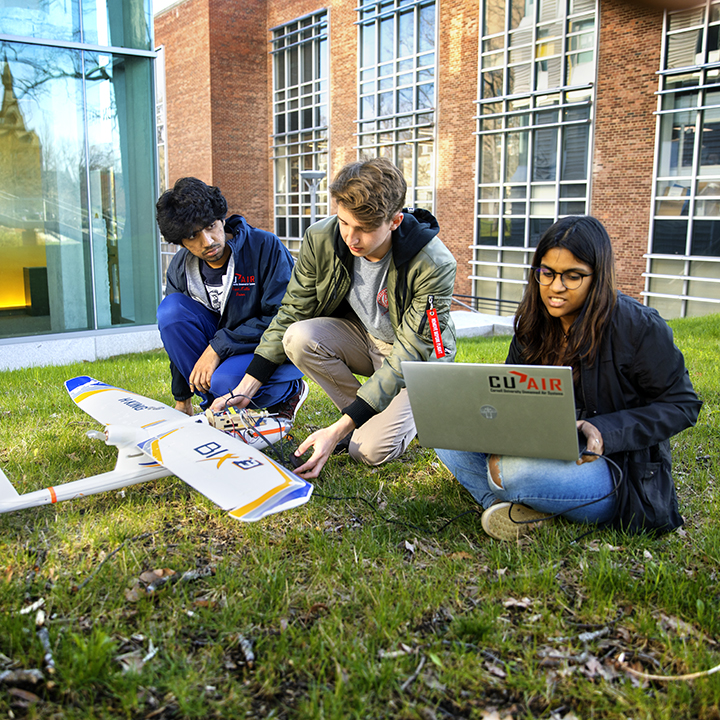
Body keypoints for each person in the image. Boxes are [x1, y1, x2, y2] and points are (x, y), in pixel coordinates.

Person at [436, 215, 702, 541]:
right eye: (546, 273)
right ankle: (509, 510)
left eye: (573, 276)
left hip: (612, 465)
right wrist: (491, 426)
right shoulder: (532, 323)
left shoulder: (639, 327)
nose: (556, 287)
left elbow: (683, 405)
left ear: (597, 277)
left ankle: (511, 494)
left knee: (513, 473)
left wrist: (604, 429)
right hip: (545, 445)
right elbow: (510, 392)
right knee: (447, 436)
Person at [210, 157, 457, 478]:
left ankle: (414, 412)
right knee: (297, 337)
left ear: (395, 221)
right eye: (344, 222)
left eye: (364, 229)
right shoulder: (322, 238)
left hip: (415, 363)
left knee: (366, 451)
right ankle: (359, 416)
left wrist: (339, 429)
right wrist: (246, 387)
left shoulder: (434, 264)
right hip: (364, 338)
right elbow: (293, 310)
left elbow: (411, 352)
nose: (351, 239)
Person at [156, 177, 307, 436]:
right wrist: (182, 399)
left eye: (210, 226)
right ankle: (213, 406)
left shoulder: (264, 247)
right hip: (221, 353)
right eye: (193, 236)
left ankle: (290, 392)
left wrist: (217, 347)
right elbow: (175, 338)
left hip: (262, 351)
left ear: (221, 218)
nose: (208, 241)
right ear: (181, 242)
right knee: (170, 311)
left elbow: (281, 316)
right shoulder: (180, 268)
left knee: (224, 381)